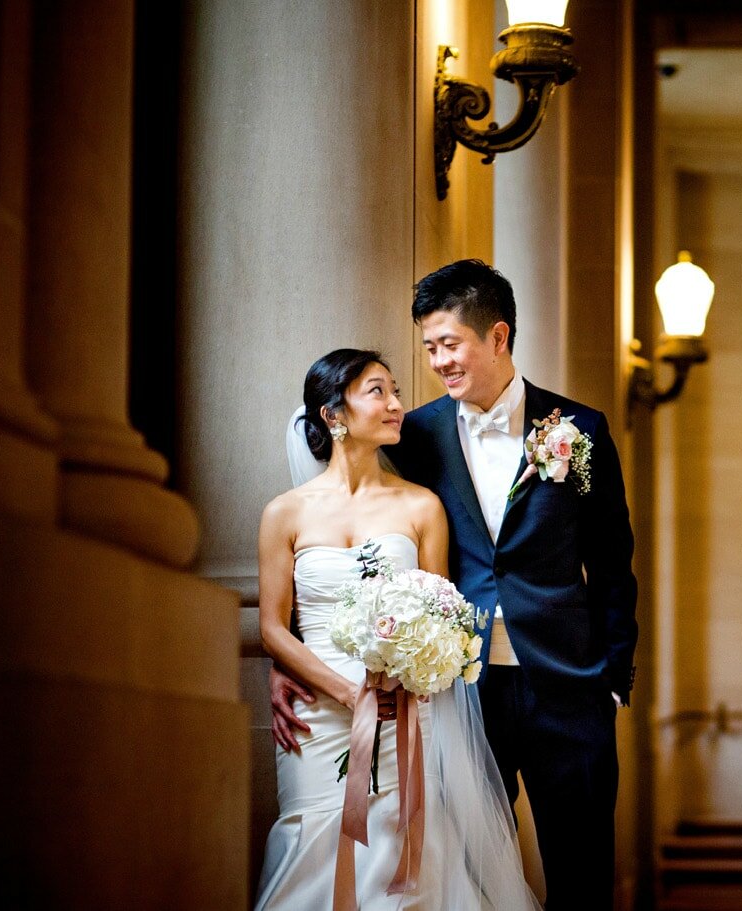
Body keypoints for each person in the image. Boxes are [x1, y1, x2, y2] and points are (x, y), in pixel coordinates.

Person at [275, 261, 638, 910]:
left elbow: (613, 564)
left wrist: (612, 678)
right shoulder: (413, 434)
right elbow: (356, 535)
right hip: (459, 694)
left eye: (449, 344)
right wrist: (297, 651)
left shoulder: (578, 429)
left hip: (569, 688)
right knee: (471, 878)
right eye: (429, 348)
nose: (438, 361)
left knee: (582, 875)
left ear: (497, 337)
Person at [255, 348, 541, 911]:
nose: (397, 405)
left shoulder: (421, 507)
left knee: (403, 845)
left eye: (396, 392)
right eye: (378, 392)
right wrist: (344, 692)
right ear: (333, 414)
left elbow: (444, 611)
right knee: (312, 838)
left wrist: (412, 673)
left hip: (404, 709)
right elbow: (271, 626)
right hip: (317, 712)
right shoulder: (283, 514)